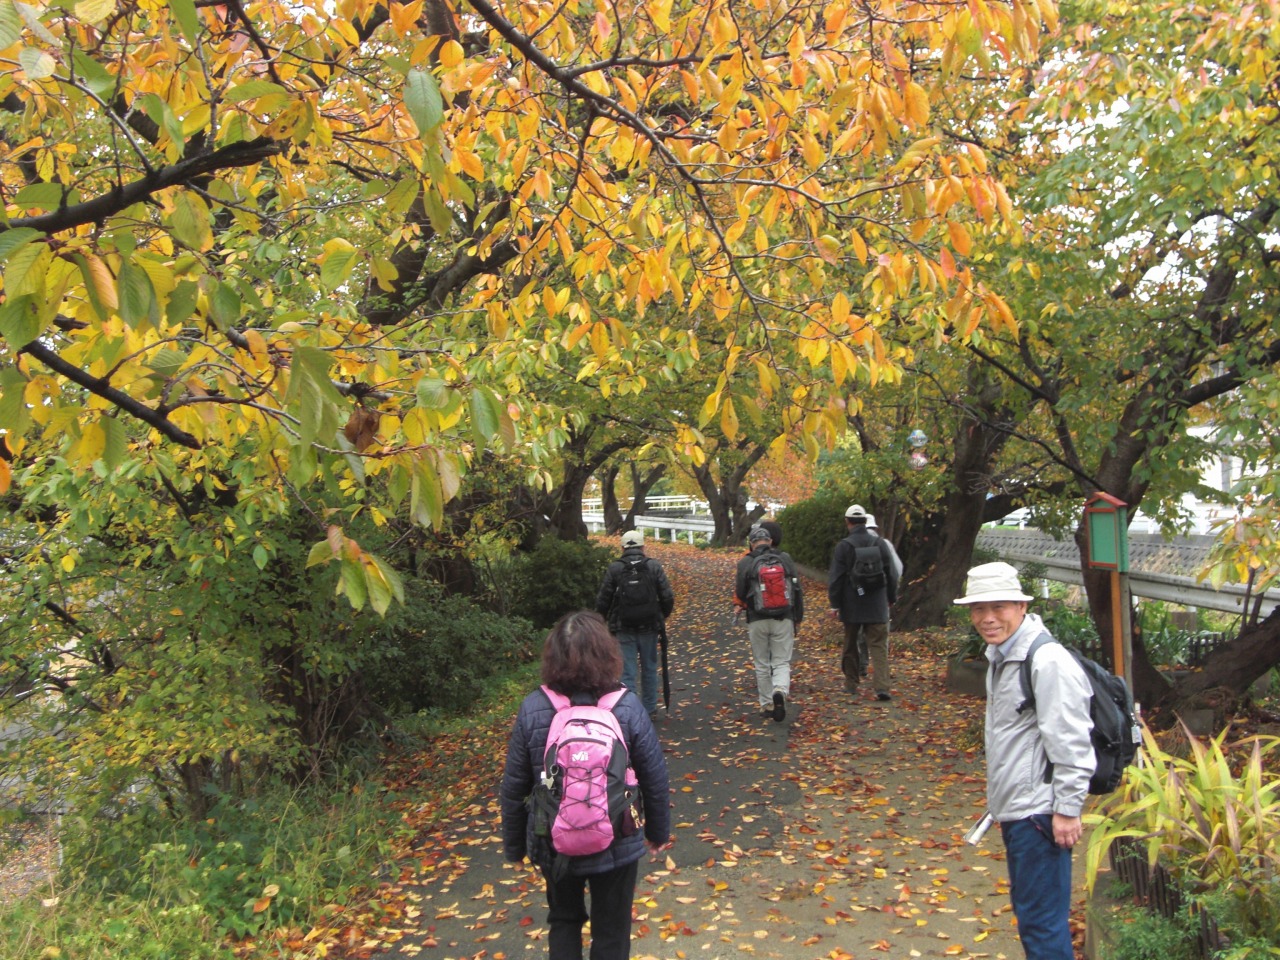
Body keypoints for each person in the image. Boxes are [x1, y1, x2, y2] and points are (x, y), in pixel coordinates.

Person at [500, 611, 672, 960]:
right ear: (607, 653)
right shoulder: (627, 706)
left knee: (563, 920)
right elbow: (654, 776)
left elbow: (514, 786)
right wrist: (657, 832)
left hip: (553, 841)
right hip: (618, 837)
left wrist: (515, 847)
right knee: (613, 928)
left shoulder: (534, 708)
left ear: (552, 657)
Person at [954, 562, 1095, 960]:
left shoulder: (1046, 661)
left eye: (998, 607)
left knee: (1042, 923)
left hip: (1040, 814)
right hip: (1018, 810)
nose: (987, 618)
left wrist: (1067, 809)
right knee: (1033, 917)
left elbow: (1072, 742)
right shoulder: (1003, 654)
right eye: (978, 608)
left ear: (1021, 606)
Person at [596, 530, 675, 720]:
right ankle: (650, 709)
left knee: (627, 671)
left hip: (623, 627)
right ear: (643, 547)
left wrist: (601, 620)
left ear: (622, 548)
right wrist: (661, 616)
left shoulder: (615, 568)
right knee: (649, 668)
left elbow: (604, 598)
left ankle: (629, 712)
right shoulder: (653, 566)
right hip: (649, 626)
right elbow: (667, 596)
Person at [827, 503, 897, 700]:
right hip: (877, 603)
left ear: (847, 522)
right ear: (865, 521)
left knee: (850, 645)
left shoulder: (844, 546)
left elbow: (836, 578)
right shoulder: (880, 543)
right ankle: (882, 687)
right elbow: (891, 573)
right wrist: (890, 597)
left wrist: (835, 604)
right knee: (878, 646)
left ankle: (851, 684)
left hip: (852, 603)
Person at [734, 525, 804, 721]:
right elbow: (797, 589)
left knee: (762, 663)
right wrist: (797, 617)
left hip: (757, 619)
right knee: (781, 661)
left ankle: (767, 705)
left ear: (751, 544)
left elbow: (740, 592)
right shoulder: (785, 558)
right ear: (770, 541)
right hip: (784, 617)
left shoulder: (746, 562)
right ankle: (779, 690)